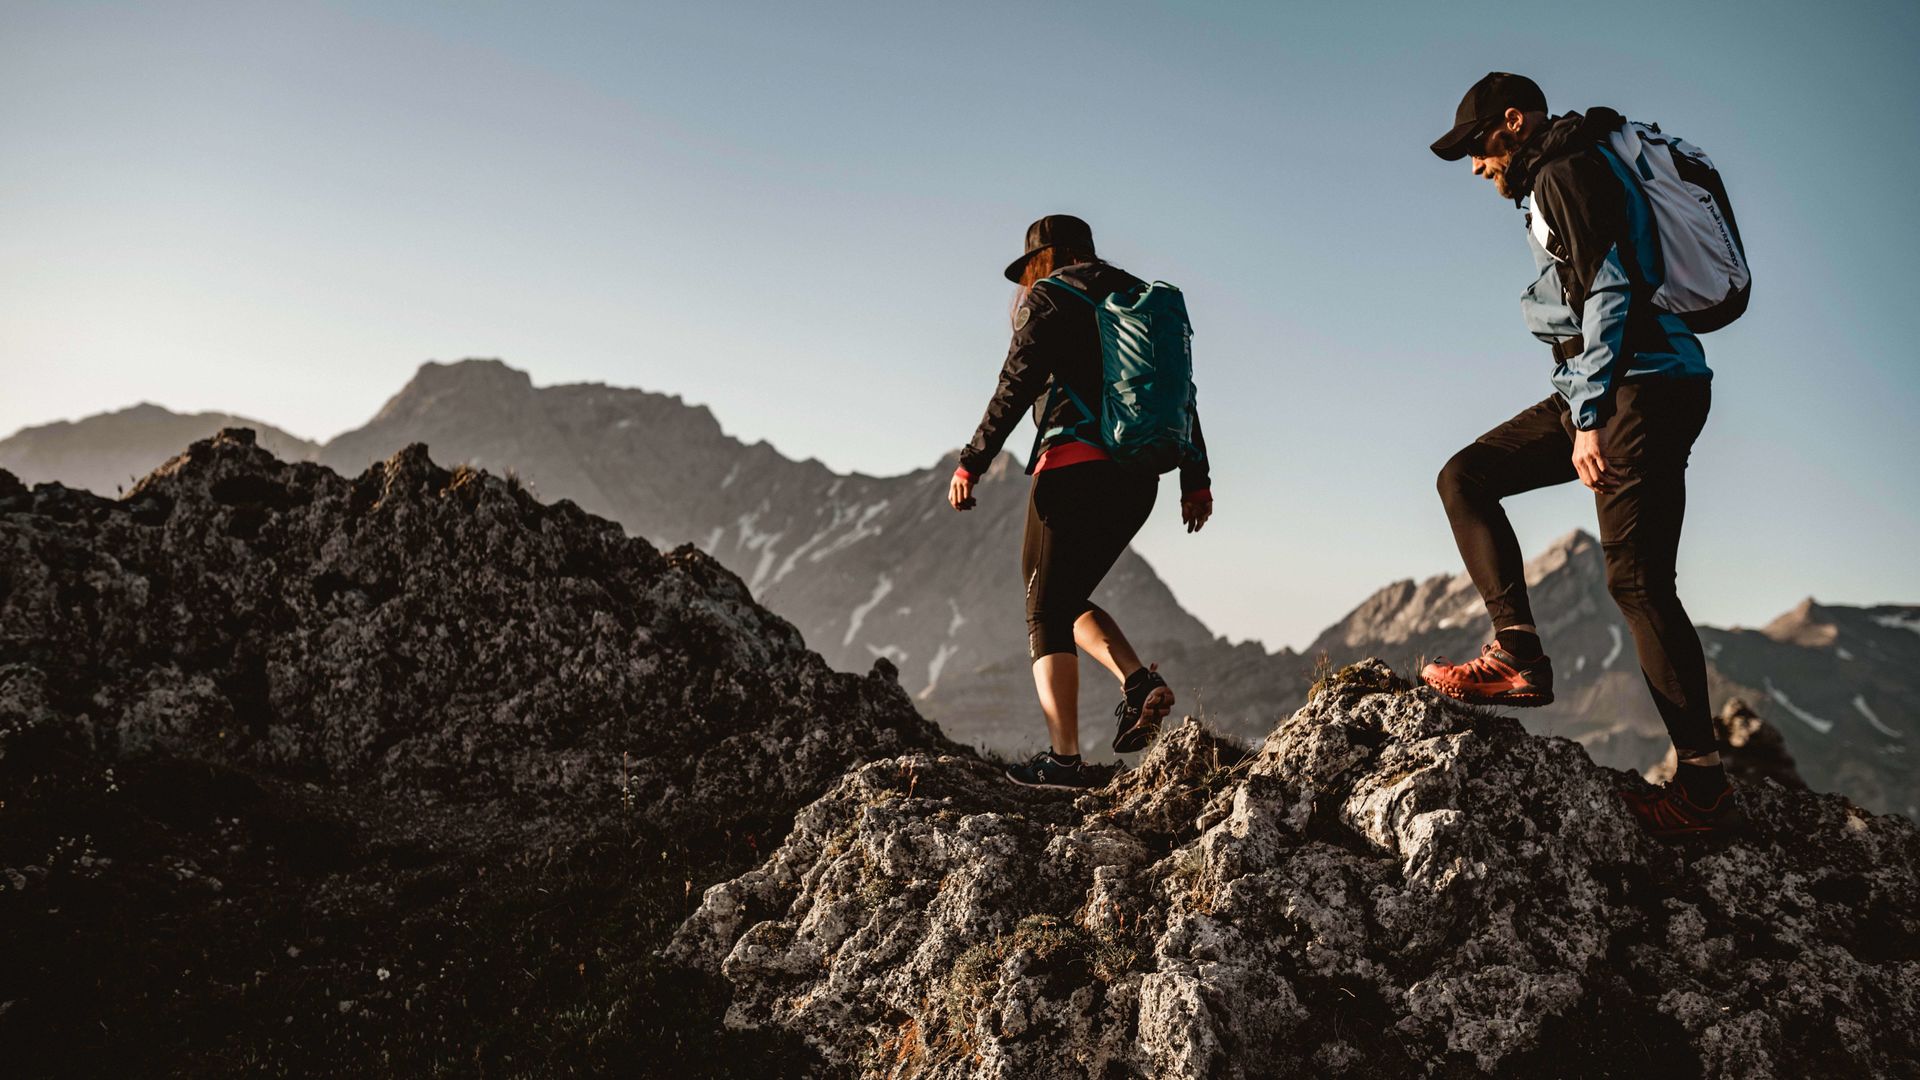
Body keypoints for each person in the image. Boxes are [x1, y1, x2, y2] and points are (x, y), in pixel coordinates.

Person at [1423, 73, 1737, 837]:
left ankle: (1702, 792)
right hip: (1616, 386)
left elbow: (1614, 287)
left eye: (1477, 148)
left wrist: (1589, 416)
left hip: (1641, 390)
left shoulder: (1565, 170)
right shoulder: (1558, 173)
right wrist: (1583, 401)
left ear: (1513, 121)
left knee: (1636, 581)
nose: (1475, 166)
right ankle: (1518, 655)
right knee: (1466, 475)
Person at [949, 214, 1213, 790]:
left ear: (1046, 258)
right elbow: (1179, 393)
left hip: (1072, 470)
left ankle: (1063, 762)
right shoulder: (1135, 300)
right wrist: (1197, 478)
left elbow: (1014, 384)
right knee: (1066, 596)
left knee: (1043, 607)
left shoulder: (1049, 297)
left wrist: (974, 460)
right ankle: (1138, 682)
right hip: (1139, 479)